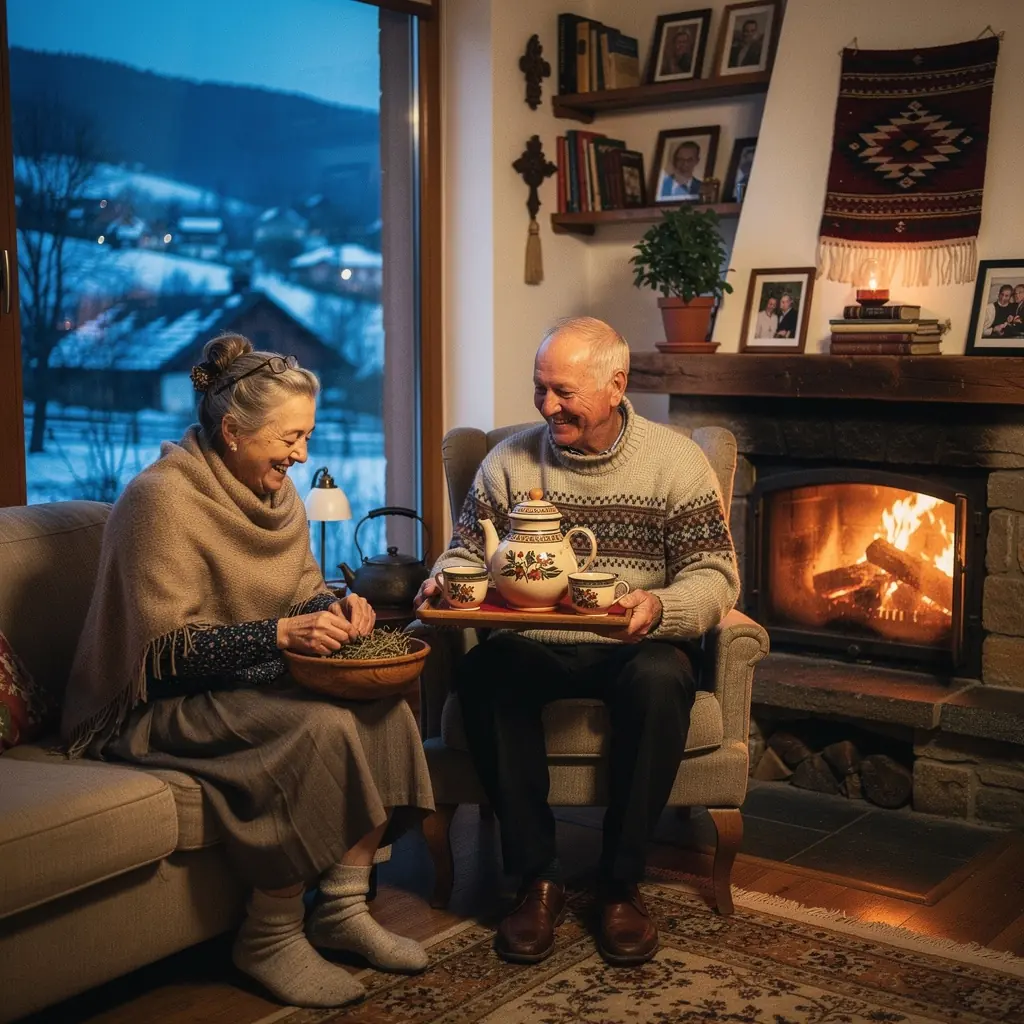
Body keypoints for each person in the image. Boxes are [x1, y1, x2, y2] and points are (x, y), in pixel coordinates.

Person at [61, 334, 435, 1010]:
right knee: (318, 728)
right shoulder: (159, 502)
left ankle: (343, 906)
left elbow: (299, 590)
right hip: (153, 706)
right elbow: (158, 657)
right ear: (232, 431)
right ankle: (269, 934)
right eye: (290, 437)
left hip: (244, 677)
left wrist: (336, 606)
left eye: (307, 435)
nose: (301, 454)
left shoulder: (278, 495)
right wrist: (280, 632)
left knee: (387, 707)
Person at [416, 317, 738, 968]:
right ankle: (536, 881)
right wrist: (440, 585)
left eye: (563, 391)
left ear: (616, 385)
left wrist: (662, 605)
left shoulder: (676, 461)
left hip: (634, 643)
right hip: (532, 641)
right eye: (540, 389)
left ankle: (619, 883)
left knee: (660, 679)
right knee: (485, 676)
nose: (546, 405)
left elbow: (716, 573)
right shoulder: (507, 462)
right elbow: (463, 555)